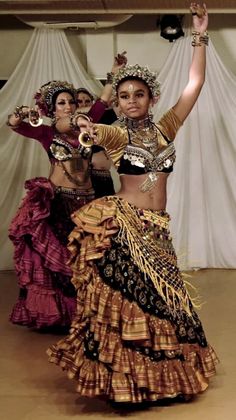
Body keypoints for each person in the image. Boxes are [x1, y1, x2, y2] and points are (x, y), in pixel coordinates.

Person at [47, 4, 218, 404]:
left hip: (157, 228)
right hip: (125, 226)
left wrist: (200, 35)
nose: (131, 101)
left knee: (163, 301)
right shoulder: (115, 135)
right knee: (132, 303)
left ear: (150, 97)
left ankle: (161, 376)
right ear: (118, 102)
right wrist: (82, 124)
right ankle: (128, 382)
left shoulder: (166, 127)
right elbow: (78, 125)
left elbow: (195, 83)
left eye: (138, 94)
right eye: (124, 96)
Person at [7, 80, 116, 330]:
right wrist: (20, 114)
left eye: (71, 102)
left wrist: (112, 77)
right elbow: (14, 125)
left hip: (88, 201)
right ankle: (63, 316)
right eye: (61, 103)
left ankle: (89, 313)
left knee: (88, 258)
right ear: (52, 109)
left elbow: (102, 102)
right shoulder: (48, 132)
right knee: (62, 262)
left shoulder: (86, 125)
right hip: (60, 200)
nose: (68, 106)